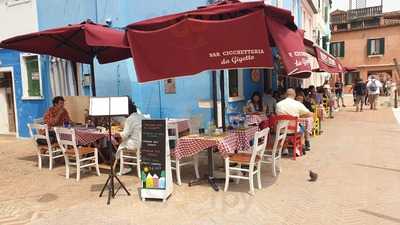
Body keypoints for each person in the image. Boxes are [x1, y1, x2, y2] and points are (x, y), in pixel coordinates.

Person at [277, 89, 314, 153]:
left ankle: (285, 149)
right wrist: (299, 116)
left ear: (286, 95)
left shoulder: (278, 104)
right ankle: (298, 147)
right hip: (294, 130)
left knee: (286, 129)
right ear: (294, 95)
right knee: (302, 129)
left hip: (281, 130)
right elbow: (309, 114)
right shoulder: (297, 104)